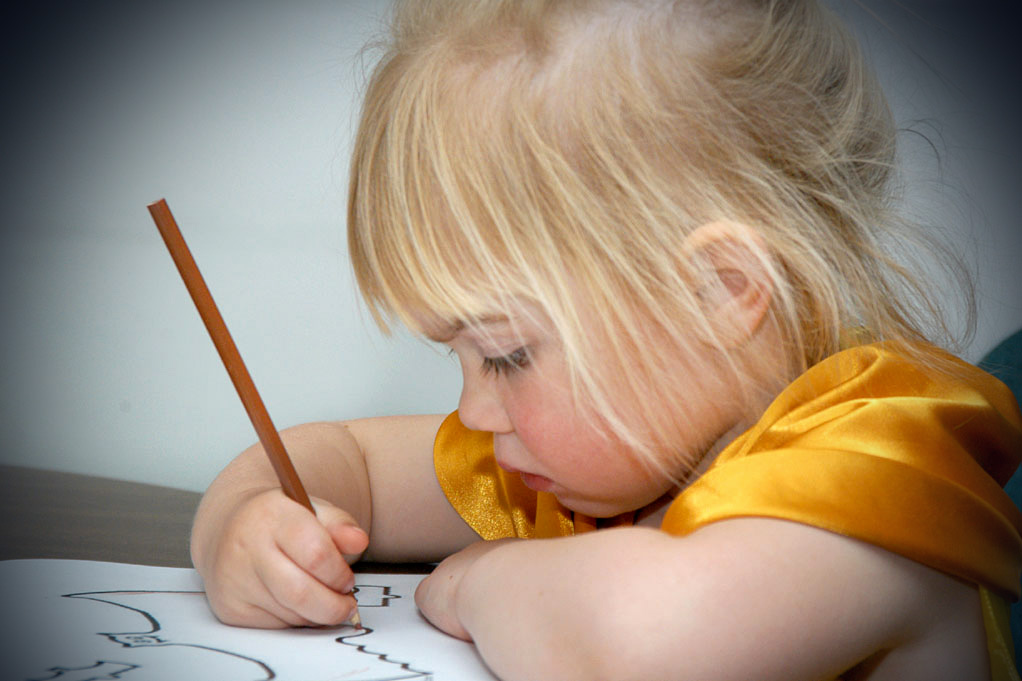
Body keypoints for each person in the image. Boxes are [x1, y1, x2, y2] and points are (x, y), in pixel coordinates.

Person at [189, 1, 1022, 679]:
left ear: (720, 293)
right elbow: (347, 460)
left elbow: (629, 646)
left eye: (508, 354)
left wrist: (481, 581)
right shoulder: (603, 461)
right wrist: (250, 527)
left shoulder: (875, 472)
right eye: (461, 356)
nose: (474, 410)